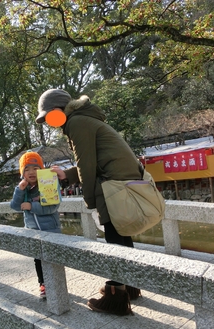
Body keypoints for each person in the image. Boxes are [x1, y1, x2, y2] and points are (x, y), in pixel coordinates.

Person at [36, 88, 143, 316]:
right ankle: (129, 286)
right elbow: (91, 161)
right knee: (122, 232)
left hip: (112, 182)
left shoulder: (76, 123)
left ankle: (116, 299)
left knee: (114, 237)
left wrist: (91, 202)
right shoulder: (84, 118)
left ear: (58, 111)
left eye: (48, 117)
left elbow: (87, 166)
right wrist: (68, 175)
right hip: (122, 179)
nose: (49, 123)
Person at [9, 151, 62, 298]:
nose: (31, 172)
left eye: (35, 168)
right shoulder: (23, 188)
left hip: (50, 229)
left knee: (53, 258)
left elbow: (53, 207)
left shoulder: (48, 183)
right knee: (38, 259)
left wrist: (32, 206)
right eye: (27, 169)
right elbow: (14, 206)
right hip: (33, 231)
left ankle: (57, 284)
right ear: (22, 172)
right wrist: (19, 190)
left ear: (41, 169)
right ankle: (43, 284)